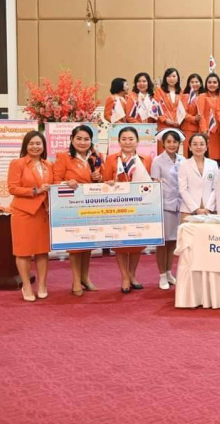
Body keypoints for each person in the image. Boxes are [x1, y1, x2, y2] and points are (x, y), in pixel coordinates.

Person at [52, 125, 103, 296]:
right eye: (79, 138)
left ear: (91, 141)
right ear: (72, 140)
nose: (82, 142)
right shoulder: (63, 157)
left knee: (88, 244)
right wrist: (67, 183)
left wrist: (99, 178)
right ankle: (75, 280)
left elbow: (103, 182)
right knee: (75, 246)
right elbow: (55, 180)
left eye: (86, 139)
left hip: (91, 207)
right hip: (71, 207)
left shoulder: (96, 157)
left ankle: (85, 278)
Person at [103, 126, 153, 293]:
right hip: (118, 207)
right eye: (123, 139)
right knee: (121, 243)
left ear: (137, 141)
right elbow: (105, 181)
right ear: (119, 141)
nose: (127, 142)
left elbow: (149, 183)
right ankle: (124, 276)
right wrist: (109, 183)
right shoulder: (111, 159)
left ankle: (132, 275)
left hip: (139, 207)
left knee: (137, 243)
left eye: (131, 139)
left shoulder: (145, 159)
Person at [8, 131, 53, 301]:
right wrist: (36, 191)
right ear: (25, 146)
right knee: (23, 252)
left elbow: (54, 185)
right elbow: (12, 188)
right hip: (23, 213)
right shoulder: (17, 163)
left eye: (38, 143)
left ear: (44, 146)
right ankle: (26, 286)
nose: (35, 147)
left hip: (42, 213)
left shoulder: (48, 164)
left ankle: (42, 285)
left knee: (42, 251)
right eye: (32, 143)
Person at [150, 128, 185, 290]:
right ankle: (162, 275)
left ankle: (170, 272)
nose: (172, 145)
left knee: (173, 241)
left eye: (174, 142)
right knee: (163, 242)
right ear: (163, 143)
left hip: (180, 205)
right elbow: (154, 184)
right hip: (164, 205)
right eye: (168, 142)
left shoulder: (183, 160)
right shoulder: (157, 161)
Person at [179, 133, 218, 221]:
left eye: (201, 144)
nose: (198, 147)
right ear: (190, 147)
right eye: (195, 144)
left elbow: (216, 188)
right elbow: (182, 189)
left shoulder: (213, 164)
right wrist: (196, 209)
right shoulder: (184, 164)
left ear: (206, 147)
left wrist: (208, 208)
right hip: (188, 210)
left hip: (210, 210)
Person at [198, 73, 220, 161]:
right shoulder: (202, 96)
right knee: (208, 155)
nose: (212, 84)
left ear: (218, 84)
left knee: (219, 156)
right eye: (209, 82)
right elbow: (201, 114)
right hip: (207, 131)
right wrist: (204, 130)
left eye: (214, 82)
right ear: (206, 84)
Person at [155, 67, 184, 135]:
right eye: (169, 76)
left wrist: (179, 120)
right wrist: (165, 120)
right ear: (165, 78)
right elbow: (155, 107)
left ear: (178, 78)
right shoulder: (159, 91)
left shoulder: (182, 92)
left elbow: (184, 108)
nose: (171, 79)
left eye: (174, 76)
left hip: (178, 125)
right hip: (163, 125)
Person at [181, 73, 204, 157]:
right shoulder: (185, 96)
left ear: (201, 84)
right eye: (192, 82)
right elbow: (183, 113)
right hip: (189, 128)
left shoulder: (204, 96)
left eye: (196, 82)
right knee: (188, 152)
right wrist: (194, 118)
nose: (194, 84)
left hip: (202, 129)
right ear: (188, 84)